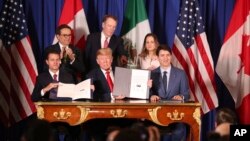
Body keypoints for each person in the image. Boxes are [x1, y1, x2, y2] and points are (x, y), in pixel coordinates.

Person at [31, 50, 81, 141]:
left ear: (60, 61)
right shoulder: (41, 77)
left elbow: (75, 96)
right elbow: (34, 97)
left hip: (68, 114)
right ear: (47, 62)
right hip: (49, 116)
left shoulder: (68, 76)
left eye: (57, 59)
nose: (55, 62)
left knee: (77, 128)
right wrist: (46, 89)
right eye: (52, 60)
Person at [150, 44, 190, 141]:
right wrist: (151, 95)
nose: (165, 58)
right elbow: (148, 93)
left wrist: (181, 96)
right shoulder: (152, 74)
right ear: (157, 57)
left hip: (175, 117)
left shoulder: (180, 74)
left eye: (168, 55)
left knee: (180, 131)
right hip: (156, 117)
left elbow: (186, 94)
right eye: (162, 55)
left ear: (171, 56)